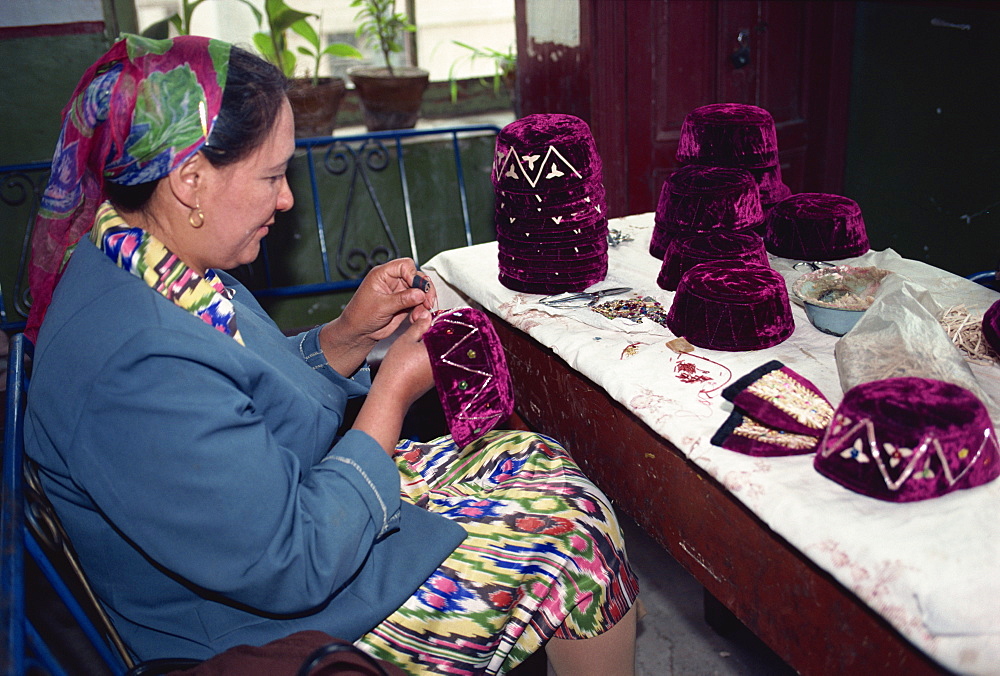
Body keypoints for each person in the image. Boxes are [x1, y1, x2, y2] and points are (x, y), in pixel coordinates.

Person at [23, 34, 639, 675]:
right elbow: (293, 561)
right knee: (576, 538)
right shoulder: (139, 361)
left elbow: (236, 394)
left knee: (535, 458)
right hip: (252, 624)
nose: (286, 198)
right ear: (189, 180)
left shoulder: (146, 258)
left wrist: (349, 334)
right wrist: (393, 391)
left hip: (274, 525)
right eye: (271, 176)